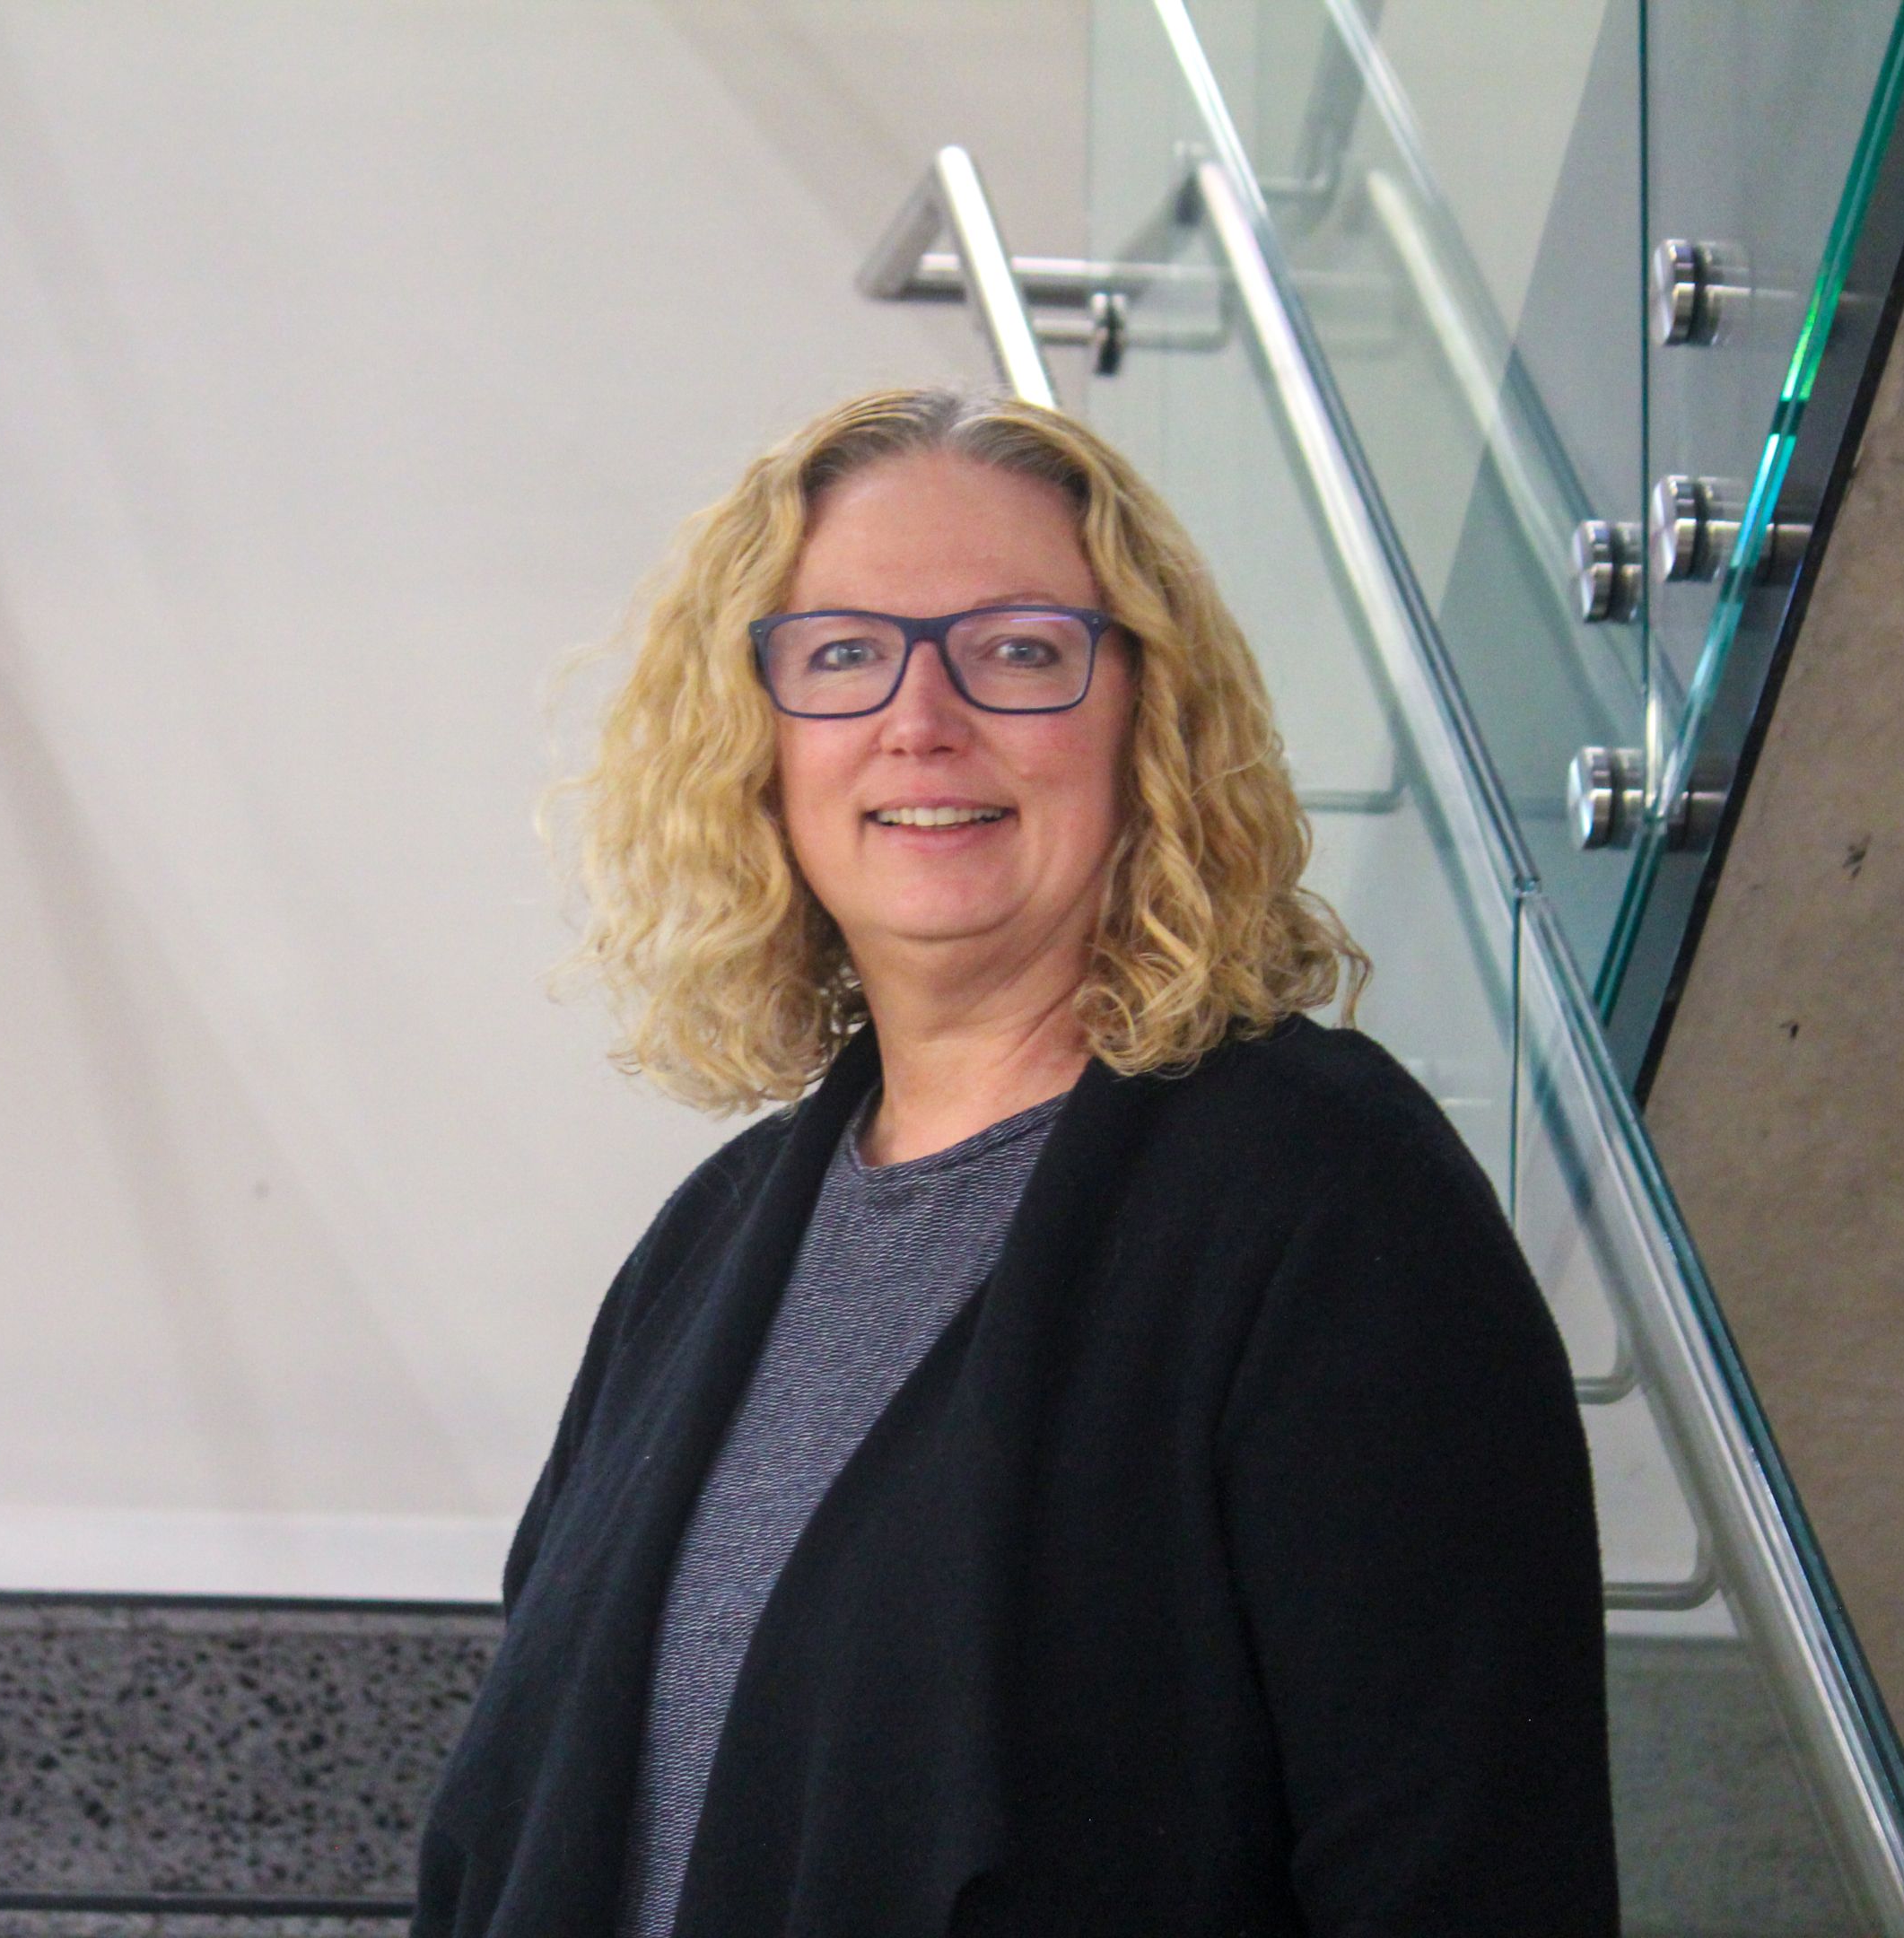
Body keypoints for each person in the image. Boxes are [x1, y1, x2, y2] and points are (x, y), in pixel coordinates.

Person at [414, 388, 1616, 1936]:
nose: (924, 719)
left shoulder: (1327, 1203)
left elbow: (1463, 1878)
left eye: (1020, 651)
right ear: (757, 747)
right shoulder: (706, 1249)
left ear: (1149, 723)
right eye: (843, 655)